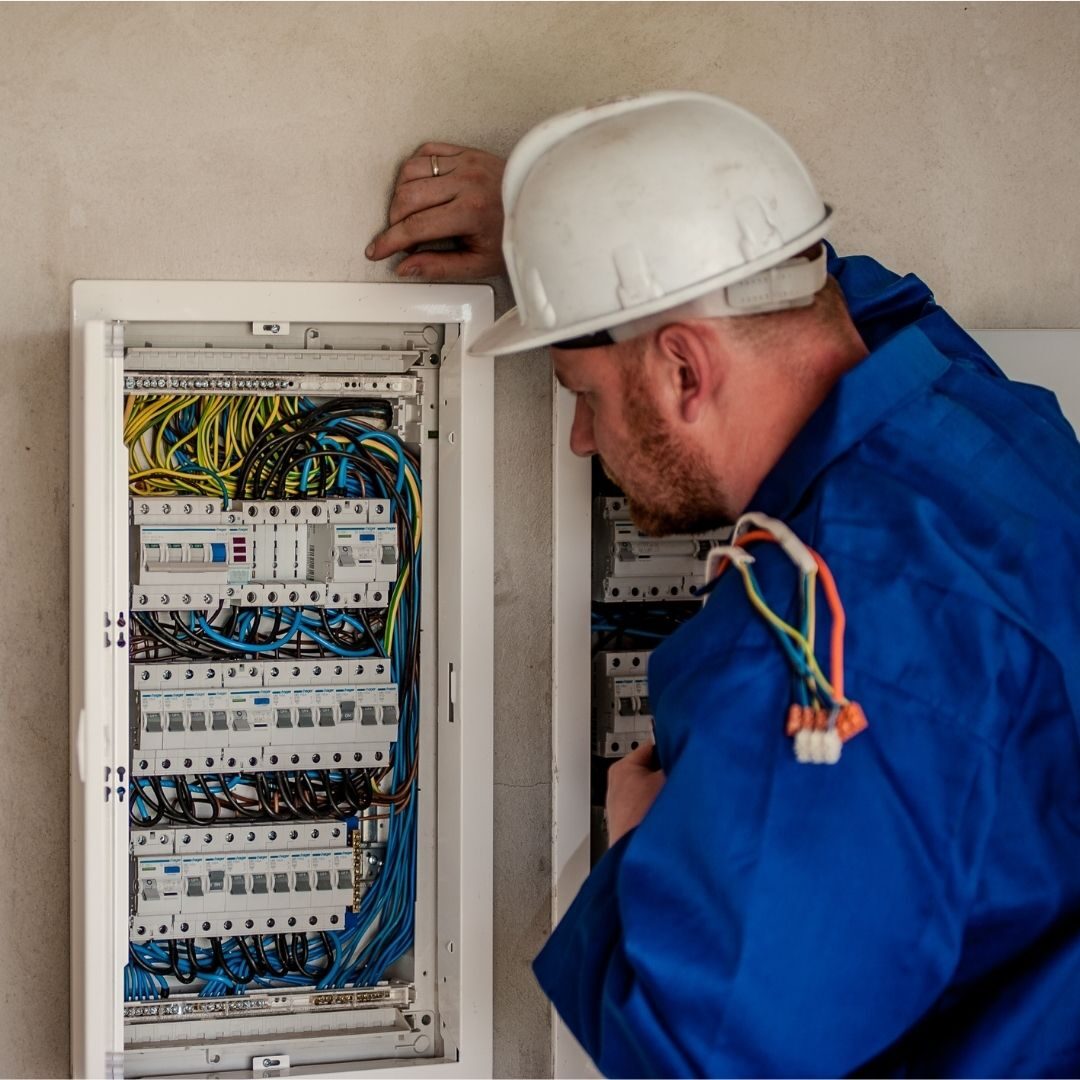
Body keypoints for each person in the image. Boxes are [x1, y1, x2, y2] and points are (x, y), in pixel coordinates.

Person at [368, 92, 1080, 1077]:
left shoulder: (826, 639)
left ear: (684, 372)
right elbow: (832, 292)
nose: (581, 438)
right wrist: (566, 239)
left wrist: (644, 857)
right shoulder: (988, 424)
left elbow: (705, 1054)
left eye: (584, 395)